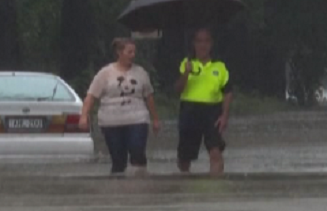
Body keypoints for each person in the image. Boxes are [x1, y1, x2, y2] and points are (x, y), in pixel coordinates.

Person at [79, 38, 162, 174]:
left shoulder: (141, 73)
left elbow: (149, 97)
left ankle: (140, 182)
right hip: (111, 121)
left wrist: (156, 119)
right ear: (119, 52)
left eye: (134, 52)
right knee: (118, 160)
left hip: (137, 118)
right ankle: (118, 189)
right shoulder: (105, 73)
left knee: (137, 151)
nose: (133, 55)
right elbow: (91, 96)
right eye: (129, 52)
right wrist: (83, 116)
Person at [175, 28, 232, 176]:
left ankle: (216, 185)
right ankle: (184, 180)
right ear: (194, 43)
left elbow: (228, 92)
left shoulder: (220, 67)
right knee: (184, 157)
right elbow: (178, 89)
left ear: (211, 44)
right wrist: (186, 72)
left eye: (206, 41)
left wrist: (224, 115)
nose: (203, 45)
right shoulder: (186, 63)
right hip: (189, 110)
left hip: (212, 111)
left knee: (215, 151)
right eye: (199, 41)